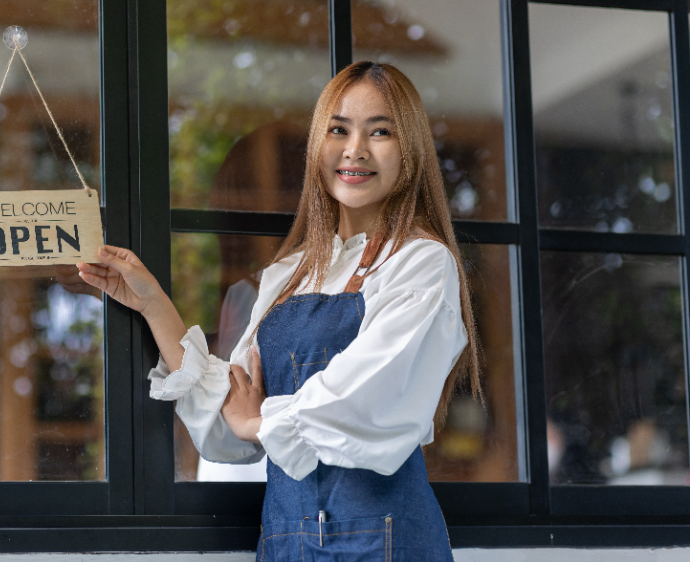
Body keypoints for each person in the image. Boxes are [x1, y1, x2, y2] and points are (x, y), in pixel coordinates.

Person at [56, 61, 480, 561]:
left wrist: (256, 423)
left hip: (384, 544)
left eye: (380, 132)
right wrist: (152, 304)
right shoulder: (289, 274)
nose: (355, 149)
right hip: (285, 544)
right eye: (338, 130)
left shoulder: (421, 262)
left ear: (410, 150)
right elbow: (230, 416)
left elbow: (368, 397)